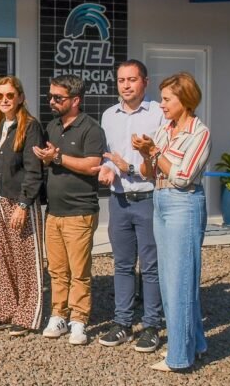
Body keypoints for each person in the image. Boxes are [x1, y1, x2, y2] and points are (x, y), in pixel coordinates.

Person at [132, 72, 211, 372]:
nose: (162, 104)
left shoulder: (200, 133)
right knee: (169, 279)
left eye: (167, 99)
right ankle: (196, 344)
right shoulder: (165, 129)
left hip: (183, 204)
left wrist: (155, 151)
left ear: (185, 100)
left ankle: (179, 357)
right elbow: (148, 173)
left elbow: (182, 177)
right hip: (161, 200)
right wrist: (146, 154)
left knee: (180, 281)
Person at [95, 60, 166, 353]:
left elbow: (162, 158)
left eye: (132, 79)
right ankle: (122, 323)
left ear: (145, 82)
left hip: (148, 198)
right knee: (122, 265)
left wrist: (130, 167)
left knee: (151, 266)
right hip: (119, 200)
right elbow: (109, 156)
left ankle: (151, 326)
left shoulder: (159, 114)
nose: (126, 85)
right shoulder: (108, 115)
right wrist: (108, 168)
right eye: (121, 80)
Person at [33, 75, 105, 345]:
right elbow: (50, 162)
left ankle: (79, 320)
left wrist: (58, 157)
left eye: (57, 98)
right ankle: (58, 315)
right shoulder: (52, 126)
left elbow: (93, 165)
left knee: (79, 271)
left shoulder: (91, 129)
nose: (51, 101)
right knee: (57, 270)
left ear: (75, 100)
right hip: (54, 211)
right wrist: (45, 159)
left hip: (80, 211)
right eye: (50, 96)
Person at [0, 76, 45, 337]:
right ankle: (3, 310)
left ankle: (27, 314)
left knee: (26, 260)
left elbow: (34, 170)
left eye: (9, 95)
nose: (4, 100)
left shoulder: (30, 126)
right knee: (4, 259)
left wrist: (23, 204)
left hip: (19, 203)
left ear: (20, 97)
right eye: (0, 96)